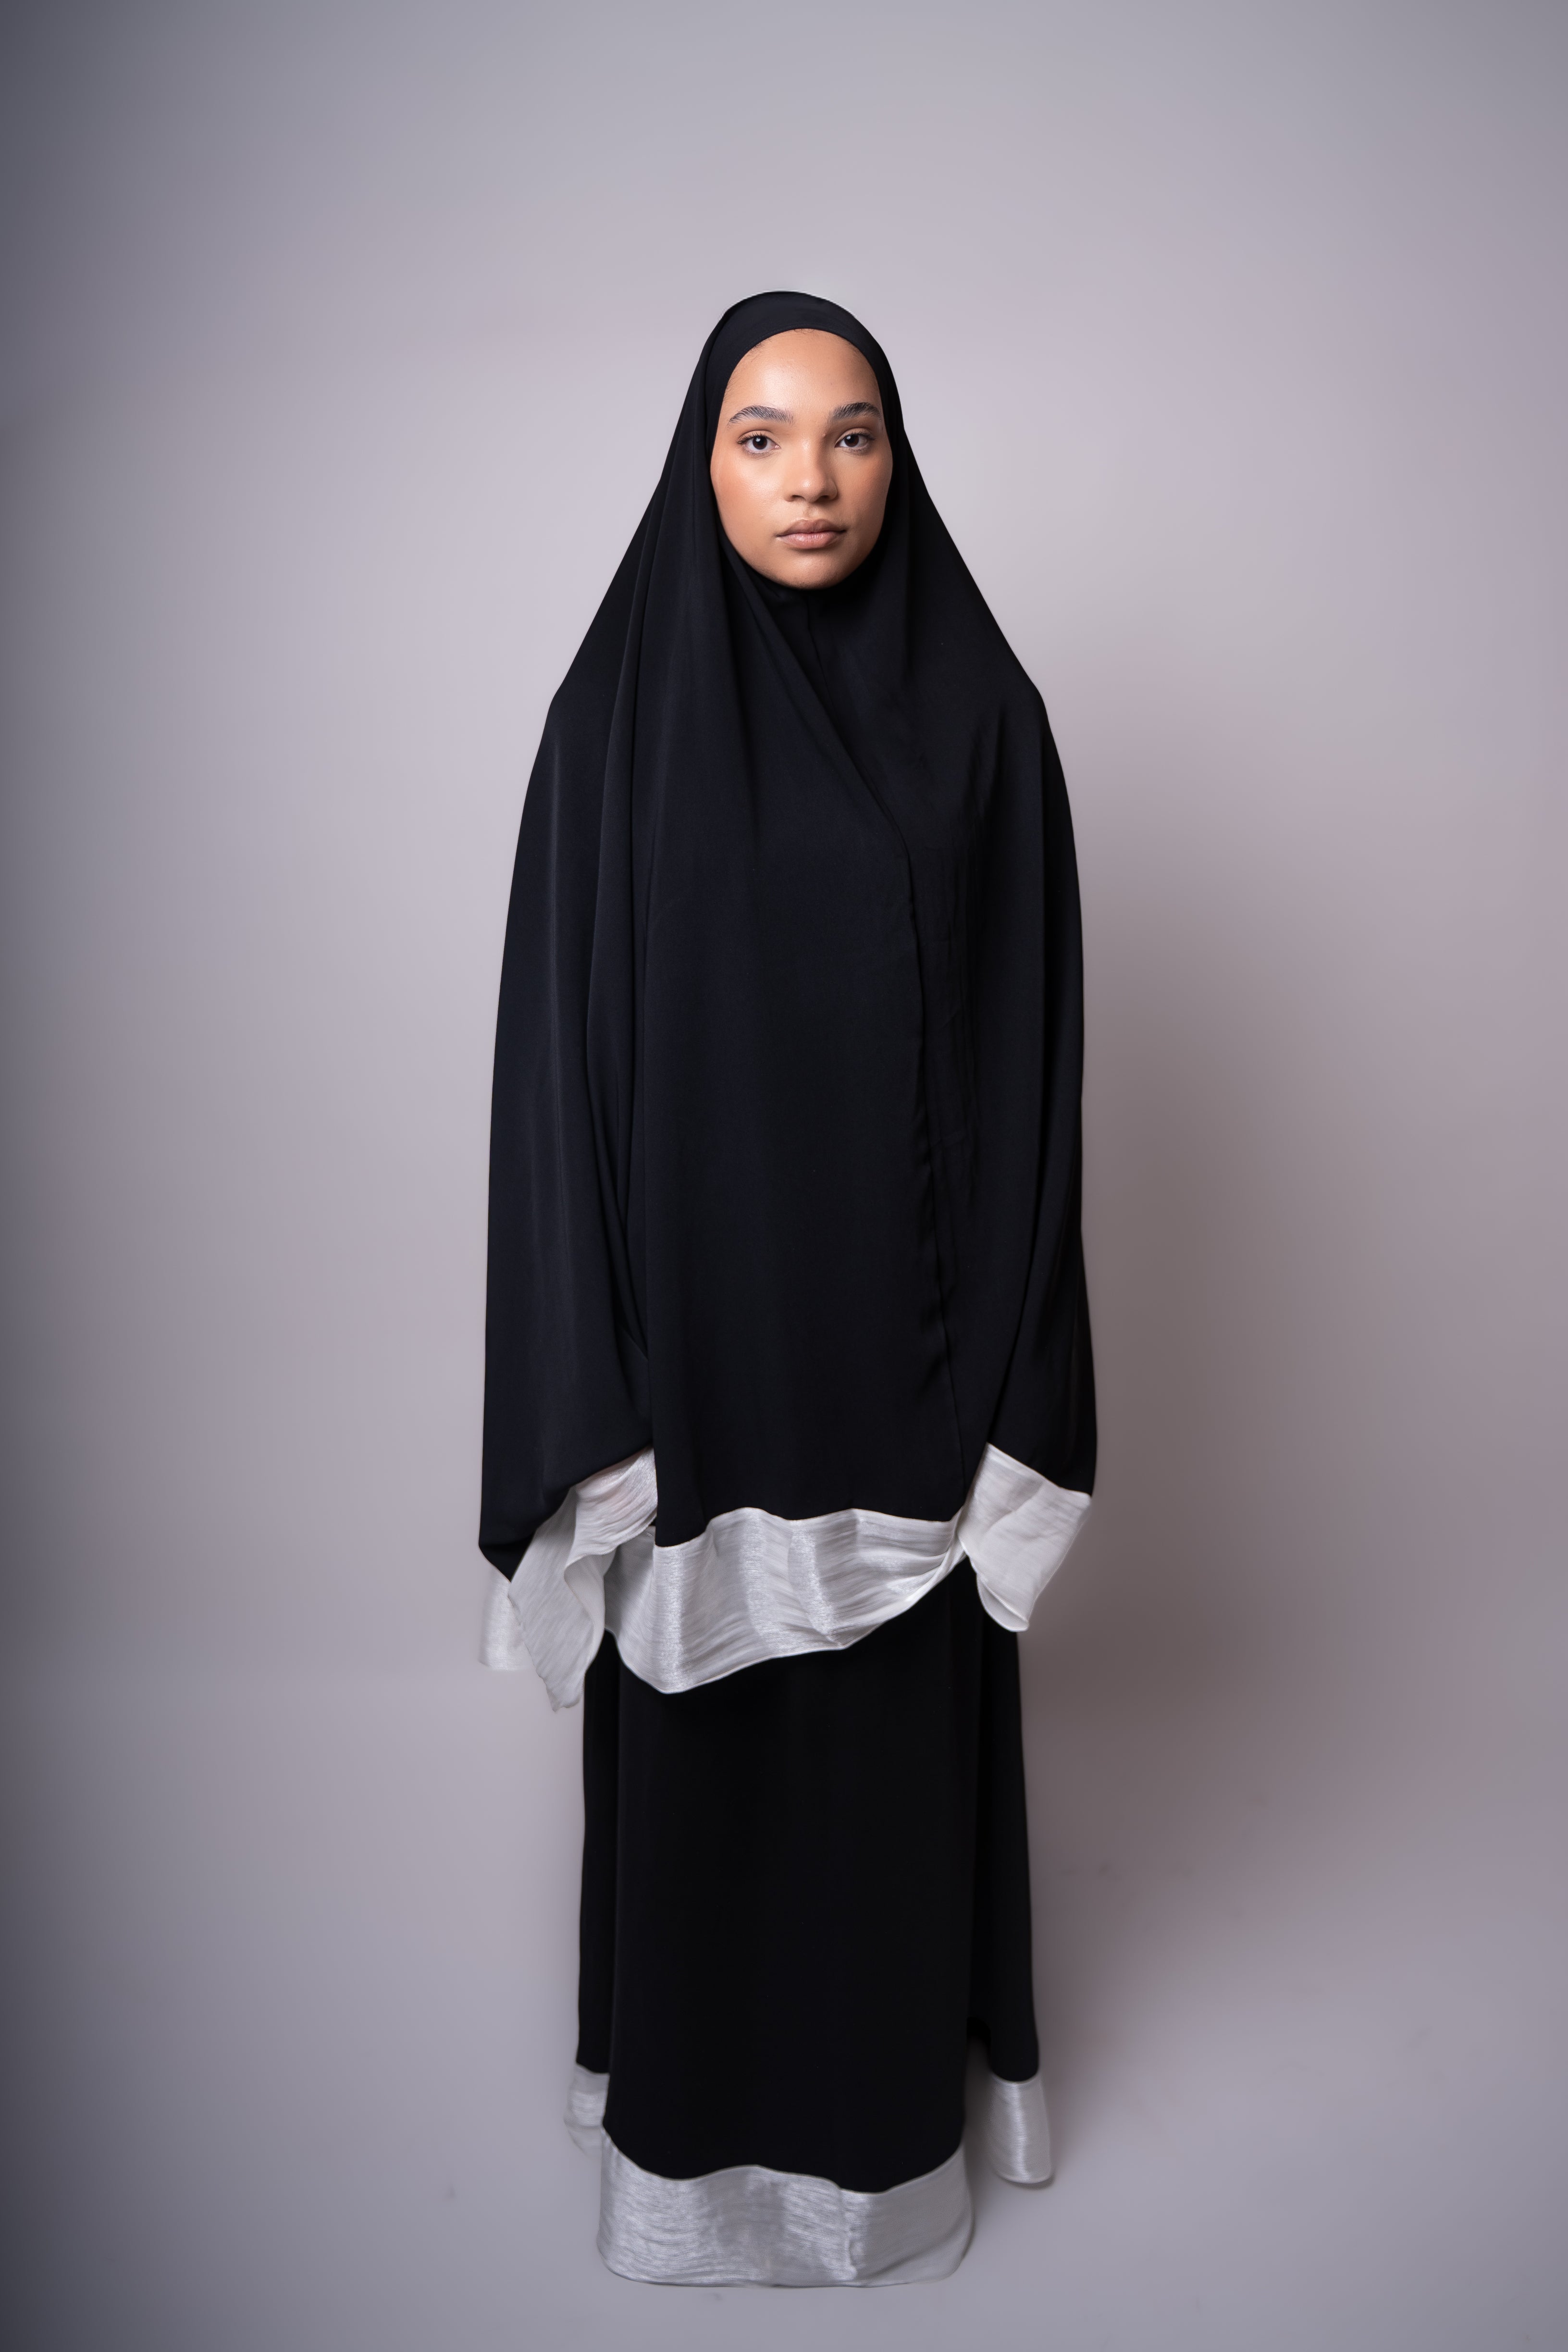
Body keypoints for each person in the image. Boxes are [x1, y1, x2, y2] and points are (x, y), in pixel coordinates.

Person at [479, 291, 1095, 2287]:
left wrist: (1015, 1384)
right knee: (707, 1748)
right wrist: (591, 1380)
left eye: (851, 433)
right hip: (698, 1356)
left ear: (898, 458)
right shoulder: (615, 724)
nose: (809, 479)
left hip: (908, 1372)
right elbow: (553, 1075)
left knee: (885, 1760)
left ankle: (884, 2153)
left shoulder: (982, 719)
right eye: (760, 436)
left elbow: (1038, 1072)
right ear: (703, 461)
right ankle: (689, 2152)